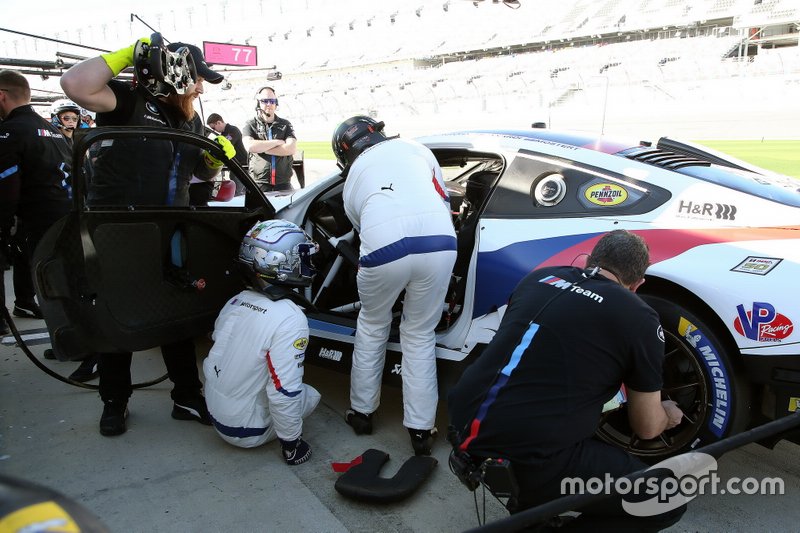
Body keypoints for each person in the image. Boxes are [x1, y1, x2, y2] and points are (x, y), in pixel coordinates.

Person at [447, 230, 687, 531]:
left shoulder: (540, 278)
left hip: (462, 421)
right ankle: (535, 498)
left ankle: (532, 505)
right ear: (637, 285)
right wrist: (667, 413)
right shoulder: (640, 316)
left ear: (588, 261)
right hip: (531, 454)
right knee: (668, 498)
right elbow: (647, 427)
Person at [60, 38, 234, 436]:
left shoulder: (189, 121)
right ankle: (115, 401)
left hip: (168, 227)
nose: (201, 90)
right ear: (174, 73)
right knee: (115, 313)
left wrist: (210, 161)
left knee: (175, 310)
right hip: (117, 230)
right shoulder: (125, 100)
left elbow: (198, 177)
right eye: (197, 81)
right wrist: (128, 55)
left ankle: (187, 397)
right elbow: (75, 85)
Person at [331, 115, 457, 456]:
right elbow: (443, 201)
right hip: (440, 242)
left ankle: (362, 414)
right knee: (419, 334)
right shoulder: (417, 149)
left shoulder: (354, 175)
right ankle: (421, 431)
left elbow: (362, 228)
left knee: (372, 325)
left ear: (346, 154)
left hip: (386, 249)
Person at [202, 219, 321, 465]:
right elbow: (283, 392)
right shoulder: (290, 318)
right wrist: (292, 444)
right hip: (245, 431)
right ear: (278, 262)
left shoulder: (237, 300)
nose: (307, 263)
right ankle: (289, 443)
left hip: (213, 411)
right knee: (309, 395)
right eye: (302, 257)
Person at [0, 70, 71, 337]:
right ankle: (71, 341)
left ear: (1, 96)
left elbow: (6, 186)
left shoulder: (10, 131)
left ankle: (78, 348)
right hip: (63, 217)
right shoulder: (53, 130)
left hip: (36, 220)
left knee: (50, 283)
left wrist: (4, 226)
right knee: (58, 281)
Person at [242, 86, 297, 193]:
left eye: (272, 101)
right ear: (258, 103)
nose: (269, 104)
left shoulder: (285, 124)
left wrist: (262, 148)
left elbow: (291, 148)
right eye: (265, 101)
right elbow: (250, 146)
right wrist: (276, 142)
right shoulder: (251, 124)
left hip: (283, 184)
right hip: (259, 184)